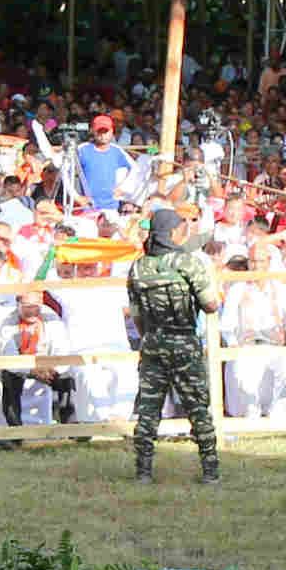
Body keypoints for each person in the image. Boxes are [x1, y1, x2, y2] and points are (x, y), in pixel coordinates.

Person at [121, 205, 220, 482]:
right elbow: (211, 305)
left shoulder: (138, 267)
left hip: (152, 343)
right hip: (185, 343)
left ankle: (143, 472)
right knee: (198, 407)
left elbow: (137, 315)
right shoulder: (188, 263)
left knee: (148, 409)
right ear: (173, 232)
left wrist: (151, 338)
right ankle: (210, 471)